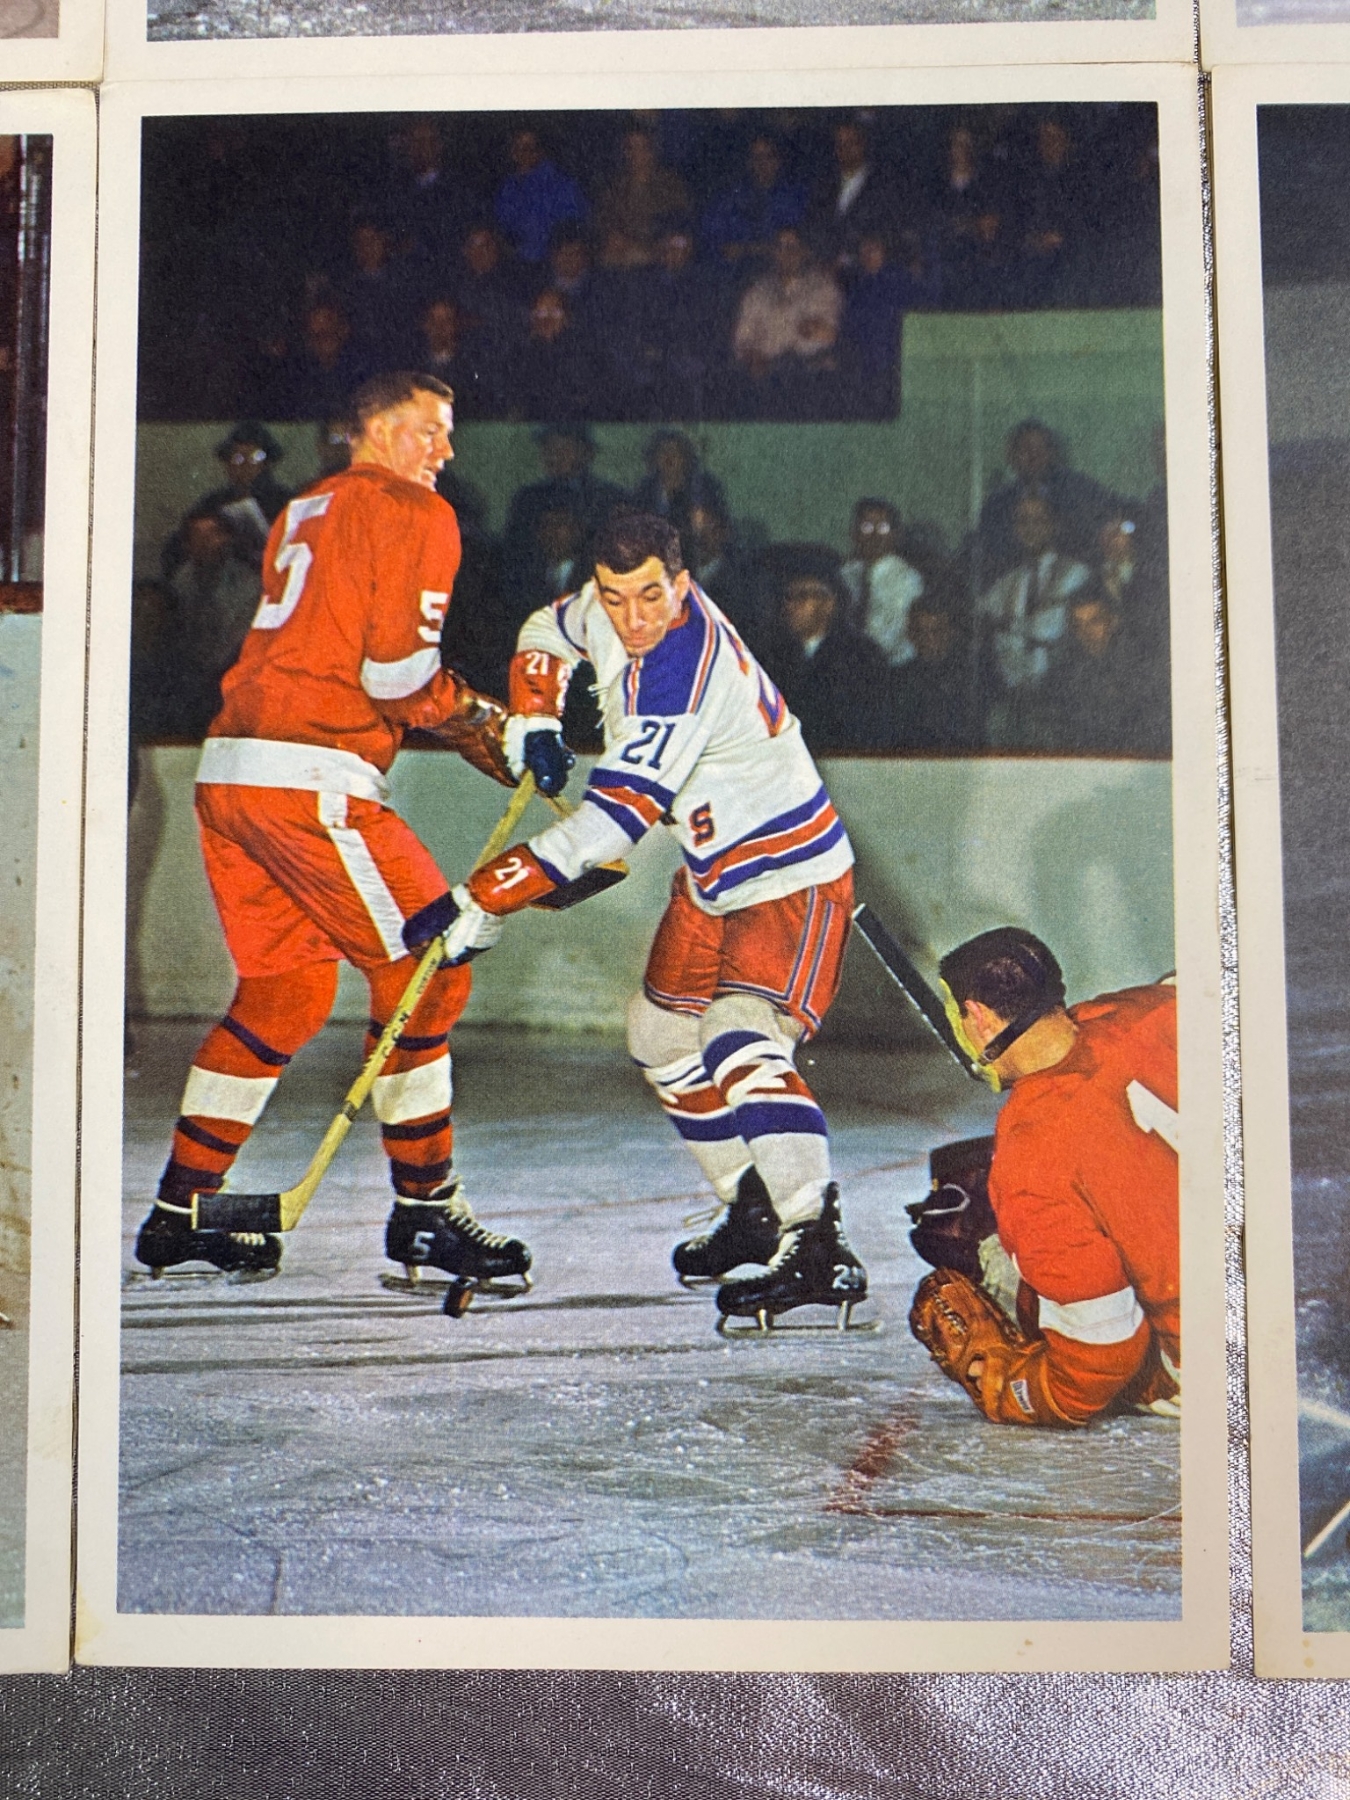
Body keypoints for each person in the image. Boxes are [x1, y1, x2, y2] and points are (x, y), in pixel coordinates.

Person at [132, 372, 565, 1292]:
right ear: (374, 429)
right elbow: (396, 677)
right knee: (429, 969)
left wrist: (471, 724)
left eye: (448, 433)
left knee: (284, 995)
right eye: (428, 430)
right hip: (310, 777)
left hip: (231, 772)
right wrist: (487, 722)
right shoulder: (415, 509)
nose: (445, 451)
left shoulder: (307, 504)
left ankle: (181, 1213)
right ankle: (426, 1213)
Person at [417, 511, 869, 1333]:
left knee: (738, 1035)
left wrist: (482, 897)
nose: (632, 619)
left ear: (683, 584)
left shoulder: (682, 672)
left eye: (652, 597)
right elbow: (545, 629)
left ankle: (816, 1240)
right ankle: (752, 1204)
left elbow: (609, 828)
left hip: (787, 873)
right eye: (616, 597)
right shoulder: (606, 607)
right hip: (712, 873)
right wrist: (536, 719)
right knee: (659, 1034)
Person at [909, 928, 1179, 1427]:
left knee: (980, 1241)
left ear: (978, 1017)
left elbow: (1104, 1355)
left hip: (1208, 1363)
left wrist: (1019, 1390)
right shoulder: (1159, 1008)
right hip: (1294, 1309)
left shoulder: (1031, 1154)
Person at [839, 498, 925, 666]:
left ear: (896, 534)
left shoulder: (907, 579)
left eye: (883, 528)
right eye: (866, 527)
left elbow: (892, 638)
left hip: (891, 667)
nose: (874, 536)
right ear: (854, 533)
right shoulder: (846, 574)